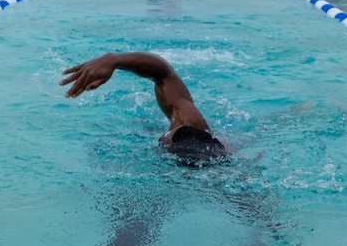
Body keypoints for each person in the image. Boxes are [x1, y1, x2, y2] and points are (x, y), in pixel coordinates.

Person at [60, 52, 230, 163]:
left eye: (167, 137)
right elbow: (162, 74)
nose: (164, 135)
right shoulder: (194, 125)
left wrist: (116, 60)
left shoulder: (191, 129)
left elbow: (164, 73)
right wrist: (114, 60)